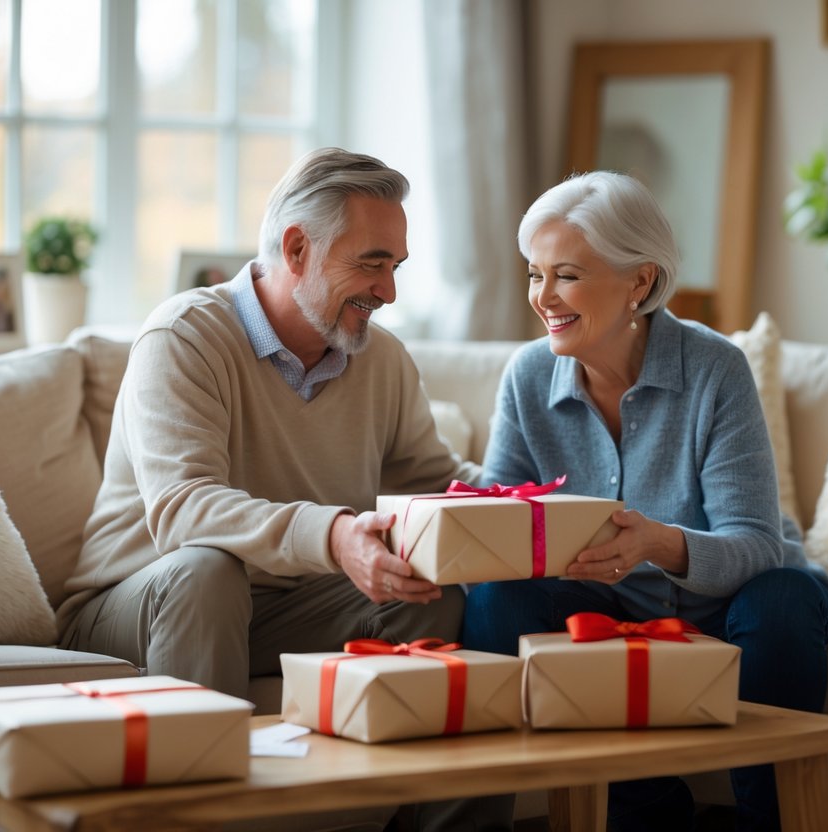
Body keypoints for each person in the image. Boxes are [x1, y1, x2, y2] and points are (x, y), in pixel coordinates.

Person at [57, 148, 512, 831]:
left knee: (429, 593)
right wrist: (332, 535)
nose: (388, 291)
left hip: (283, 608)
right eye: (372, 262)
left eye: (395, 266)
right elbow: (182, 511)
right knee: (206, 571)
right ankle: (201, 817)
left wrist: (537, 506)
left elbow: (432, 476)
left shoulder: (380, 358)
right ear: (297, 248)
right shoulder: (184, 337)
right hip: (142, 607)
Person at [461, 171, 828, 832]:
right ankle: (645, 810)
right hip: (606, 610)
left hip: (732, 602)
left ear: (639, 280)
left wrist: (656, 542)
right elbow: (502, 516)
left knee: (780, 596)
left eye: (566, 275)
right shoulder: (526, 375)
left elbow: (755, 543)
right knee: (497, 600)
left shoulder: (714, 367)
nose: (543, 297)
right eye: (533, 274)